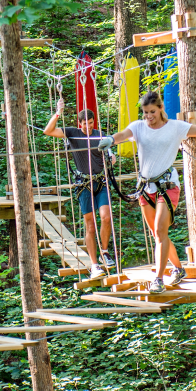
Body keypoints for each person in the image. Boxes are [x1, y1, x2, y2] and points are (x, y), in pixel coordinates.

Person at [97, 91, 196, 294]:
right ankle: (178, 268)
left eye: (152, 112)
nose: (148, 116)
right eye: (145, 112)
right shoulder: (138, 127)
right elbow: (123, 135)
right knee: (158, 234)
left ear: (160, 109)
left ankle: (158, 279)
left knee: (159, 231)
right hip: (145, 188)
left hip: (167, 187)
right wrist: (110, 140)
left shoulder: (175, 127)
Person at [43, 98, 117, 280]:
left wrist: (111, 157)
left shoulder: (100, 135)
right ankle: (94, 265)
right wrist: (58, 112)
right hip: (83, 184)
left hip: (101, 182)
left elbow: (111, 154)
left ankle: (105, 252)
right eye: (85, 124)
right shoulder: (73, 133)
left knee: (106, 218)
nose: (88, 127)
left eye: (90, 123)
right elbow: (48, 131)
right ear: (79, 123)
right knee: (90, 225)